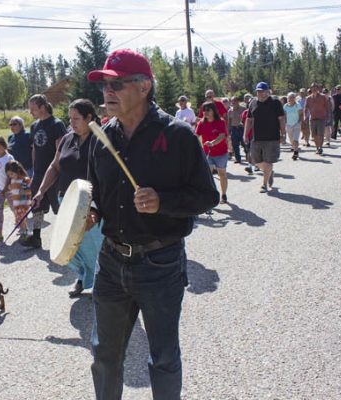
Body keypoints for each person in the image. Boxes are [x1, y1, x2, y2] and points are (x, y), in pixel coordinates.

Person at [86, 48, 219, 400]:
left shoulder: (178, 136)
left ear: (144, 87)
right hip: (111, 263)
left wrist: (164, 202)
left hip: (159, 264)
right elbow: (96, 195)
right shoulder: (102, 139)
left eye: (117, 85)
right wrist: (91, 213)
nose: (107, 93)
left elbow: (207, 196)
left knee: (162, 358)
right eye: (104, 86)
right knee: (104, 355)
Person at [33, 99, 105, 298]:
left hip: (91, 203)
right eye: (70, 118)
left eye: (76, 118)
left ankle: (102, 283)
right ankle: (82, 277)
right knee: (73, 246)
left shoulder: (100, 139)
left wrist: (96, 206)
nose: (72, 123)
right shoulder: (67, 139)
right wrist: (41, 190)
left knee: (95, 245)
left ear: (89, 117)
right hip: (67, 199)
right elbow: (55, 166)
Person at [21, 94, 66, 248]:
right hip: (39, 173)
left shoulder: (57, 124)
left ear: (43, 107)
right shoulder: (34, 126)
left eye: (33, 108)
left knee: (60, 209)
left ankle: (66, 240)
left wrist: (56, 172)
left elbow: (61, 151)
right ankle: (36, 237)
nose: (31, 112)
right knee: (37, 206)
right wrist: (34, 172)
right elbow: (34, 150)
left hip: (55, 174)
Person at [244, 82, 285, 193]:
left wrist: (283, 134)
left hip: (272, 138)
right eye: (258, 91)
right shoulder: (253, 103)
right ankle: (269, 172)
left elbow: (281, 118)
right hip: (256, 138)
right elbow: (249, 120)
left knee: (268, 161)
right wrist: (245, 134)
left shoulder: (275, 102)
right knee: (255, 161)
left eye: (262, 91)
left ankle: (264, 184)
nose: (260, 93)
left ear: (268, 91)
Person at [196, 102, 229, 204]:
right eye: (204, 110)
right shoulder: (201, 123)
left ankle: (223, 195)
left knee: (222, 174)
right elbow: (196, 136)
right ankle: (211, 196)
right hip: (207, 154)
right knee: (207, 176)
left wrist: (212, 143)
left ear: (213, 111)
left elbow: (222, 135)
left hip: (221, 153)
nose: (205, 112)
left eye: (208, 110)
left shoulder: (220, 122)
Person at [5, 160, 32, 240]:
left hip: (23, 203)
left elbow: (29, 190)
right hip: (16, 203)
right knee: (20, 219)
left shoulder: (24, 179)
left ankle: (25, 233)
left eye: (11, 174)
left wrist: (19, 190)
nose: (10, 176)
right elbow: (13, 190)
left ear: (18, 170)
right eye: (9, 175)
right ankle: (25, 231)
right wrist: (11, 188)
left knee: (20, 219)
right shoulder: (13, 180)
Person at [303, 83, 330, 155]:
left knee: (320, 134)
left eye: (315, 88)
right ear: (311, 89)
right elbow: (305, 108)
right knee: (314, 135)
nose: (314, 89)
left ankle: (320, 147)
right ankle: (317, 147)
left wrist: (328, 116)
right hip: (312, 119)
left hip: (322, 118)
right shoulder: (308, 98)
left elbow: (327, 107)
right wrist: (305, 116)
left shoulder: (323, 97)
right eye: (312, 88)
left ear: (318, 89)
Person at [283, 92, 303, 160]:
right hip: (288, 125)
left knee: (295, 139)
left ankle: (295, 152)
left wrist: (299, 122)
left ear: (294, 98)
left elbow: (301, 114)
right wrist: (284, 123)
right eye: (289, 98)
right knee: (291, 140)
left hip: (296, 124)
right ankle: (294, 148)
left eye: (292, 98)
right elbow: (284, 115)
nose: (290, 99)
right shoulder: (285, 106)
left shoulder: (297, 105)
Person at [227, 96, 246, 164]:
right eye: (232, 101)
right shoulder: (230, 111)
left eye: (235, 100)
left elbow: (246, 119)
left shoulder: (243, 109)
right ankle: (238, 159)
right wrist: (228, 131)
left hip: (242, 128)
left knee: (244, 144)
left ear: (238, 101)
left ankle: (247, 155)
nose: (233, 102)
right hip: (234, 129)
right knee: (235, 145)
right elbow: (229, 121)